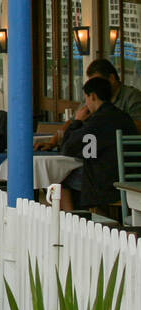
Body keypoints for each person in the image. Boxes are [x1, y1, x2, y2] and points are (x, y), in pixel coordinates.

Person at [40, 75, 138, 212]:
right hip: (131, 178)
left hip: (107, 184)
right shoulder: (124, 117)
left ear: (92, 96)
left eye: (85, 98)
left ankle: (72, 218)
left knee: (58, 178)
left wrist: (77, 121)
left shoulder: (97, 121)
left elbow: (67, 148)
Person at [85, 58, 141, 130]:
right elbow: (74, 120)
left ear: (111, 78)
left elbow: (139, 126)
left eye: (99, 82)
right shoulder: (92, 96)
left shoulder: (132, 97)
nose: (95, 87)